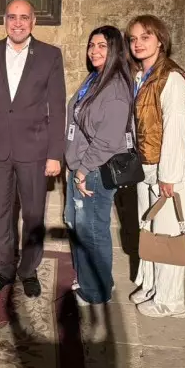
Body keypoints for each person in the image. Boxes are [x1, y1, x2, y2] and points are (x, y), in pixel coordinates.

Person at [0, 0, 65, 297]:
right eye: (12, 17)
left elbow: (57, 108)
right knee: (0, 214)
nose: (18, 23)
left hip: (34, 150)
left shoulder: (50, 55)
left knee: (33, 215)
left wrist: (55, 154)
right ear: (4, 21)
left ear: (33, 21)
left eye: (24, 17)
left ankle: (28, 270)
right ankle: (4, 269)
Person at [126, 15, 185, 318]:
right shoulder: (141, 75)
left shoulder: (172, 77)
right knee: (149, 230)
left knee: (167, 235)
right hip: (147, 165)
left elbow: (176, 129)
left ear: (160, 41)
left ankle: (171, 302)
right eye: (133, 39)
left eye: (145, 37)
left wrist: (168, 176)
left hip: (172, 168)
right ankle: (152, 285)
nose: (138, 43)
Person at [63, 26, 132, 305]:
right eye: (92, 45)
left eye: (102, 46)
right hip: (80, 165)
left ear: (115, 50)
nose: (94, 51)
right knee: (79, 226)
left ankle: (96, 291)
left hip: (93, 170)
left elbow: (108, 139)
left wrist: (82, 171)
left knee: (92, 229)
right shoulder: (96, 78)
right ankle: (89, 279)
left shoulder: (114, 88)